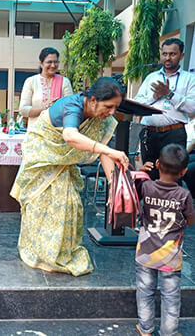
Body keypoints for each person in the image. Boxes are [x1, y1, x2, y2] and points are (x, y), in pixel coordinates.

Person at [11, 77, 129, 276]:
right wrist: (110, 151)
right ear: (93, 100)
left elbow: (103, 151)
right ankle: (41, 252)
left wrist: (113, 185)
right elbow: (70, 136)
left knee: (71, 204)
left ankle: (62, 252)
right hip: (42, 157)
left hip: (62, 163)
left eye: (115, 108)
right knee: (43, 206)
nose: (112, 113)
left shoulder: (99, 118)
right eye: (109, 106)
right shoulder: (72, 106)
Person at [135, 144, 194, 336]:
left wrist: (139, 172)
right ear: (184, 171)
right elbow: (191, 220)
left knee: (145, 291)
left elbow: (133, 196)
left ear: (158, 164)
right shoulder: (184, 195)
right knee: (171, 296)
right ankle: (169, 332)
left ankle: (145, 329)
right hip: (170, 255)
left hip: (146, 252)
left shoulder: (146, 186)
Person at [134, 38, 195, 180]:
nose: (167, 58)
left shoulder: (189, 79)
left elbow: (192, 107)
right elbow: (137, 103)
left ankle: (172, 202)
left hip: (174, 133)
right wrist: (154, 96)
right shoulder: (151, 77)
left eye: (172, 54)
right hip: (149, 134)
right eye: (165, 53)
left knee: (172, 177)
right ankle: (149, 201)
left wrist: (169, 94)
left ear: (182, 55)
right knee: (149, 175)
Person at [19, 47, 73, 129]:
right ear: (41, 63)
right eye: (49, 62)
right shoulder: (31, 81)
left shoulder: (64, 82)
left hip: (57, 133)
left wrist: (58, 106)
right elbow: (23, 110)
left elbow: (70, 108)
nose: (53, 65)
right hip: (36, 133)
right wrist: (45, 109)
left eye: (56, 62)